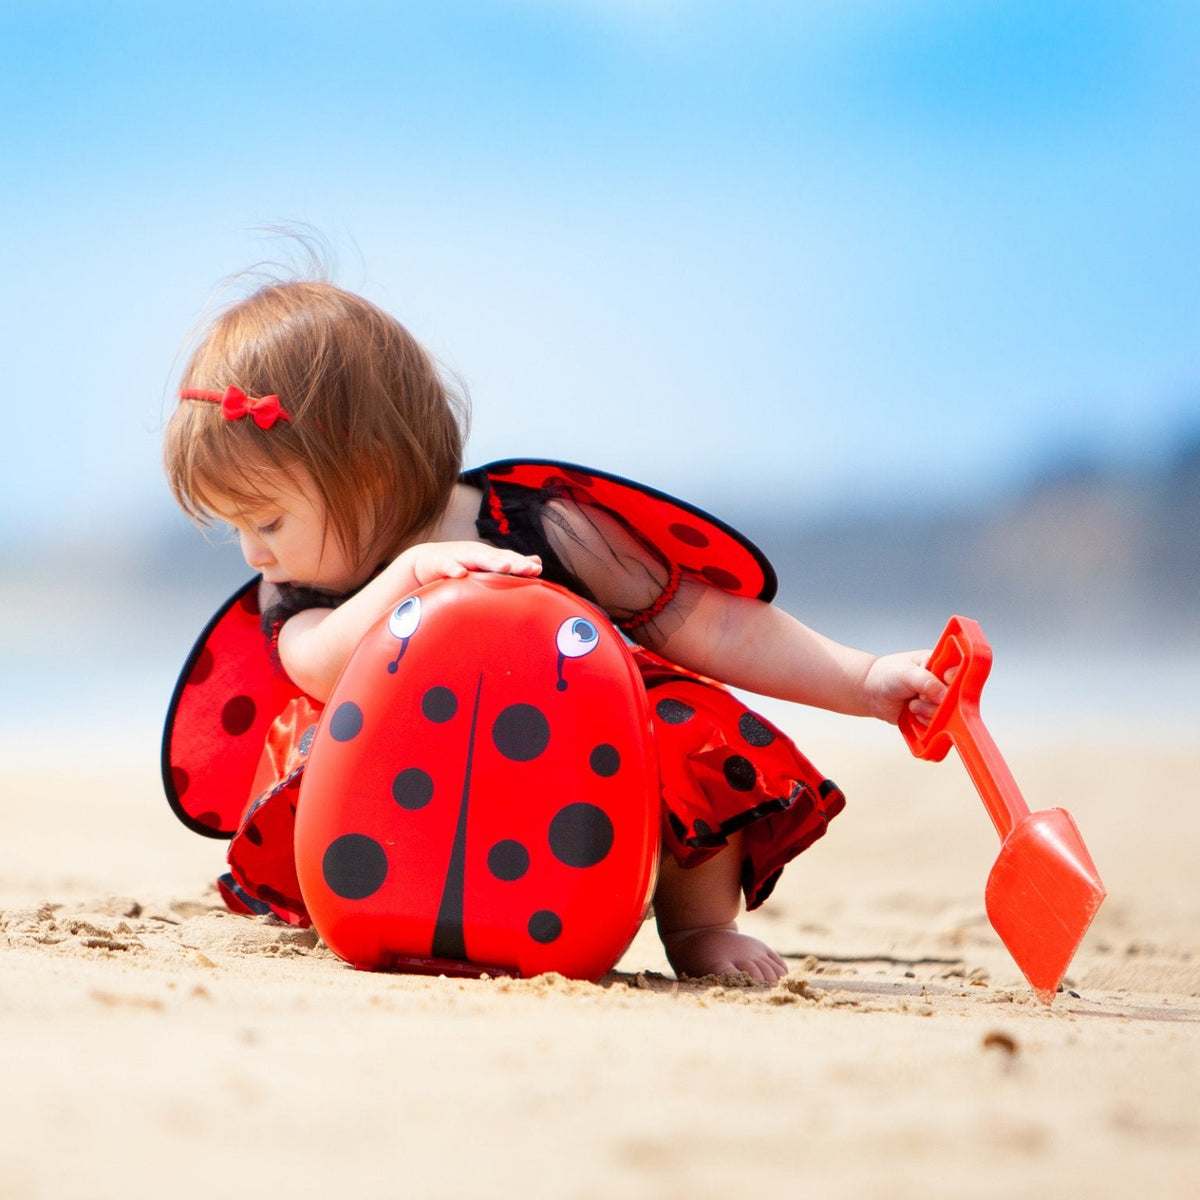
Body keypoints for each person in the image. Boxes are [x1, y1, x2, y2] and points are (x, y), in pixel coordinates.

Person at [163, 277, 947, 984]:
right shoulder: (299, 585)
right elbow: (314, 667)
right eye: (233, 526)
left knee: (687, 722)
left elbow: (705, 623)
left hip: (571, 783)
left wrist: (863, 681)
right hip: (399, 809)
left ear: (366, 467)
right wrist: (405, 583)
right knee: (314, 744)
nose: (252, 551)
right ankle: (375, 909)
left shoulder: (546, 526)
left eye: (265, 518)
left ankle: (698, 923)